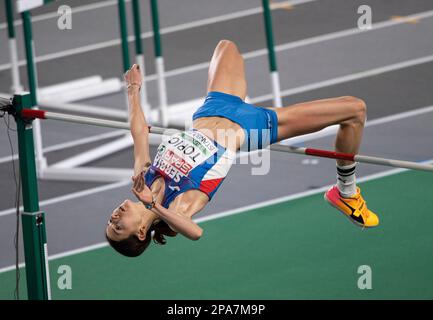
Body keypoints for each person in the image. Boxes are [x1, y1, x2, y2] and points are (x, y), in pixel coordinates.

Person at [106, 40, 379, 257]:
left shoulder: (144, 177)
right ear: (141, 232)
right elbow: (195, 232)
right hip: (250, 128)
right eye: (118, 227)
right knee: (355, 109)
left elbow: (139, 132)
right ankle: (346, 192)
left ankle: (346, 192)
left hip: (213, 109)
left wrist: (133, 90)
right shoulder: (178, 206)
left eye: (110, 220)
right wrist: (154, 204)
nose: (115, 217)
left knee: (227, 46)